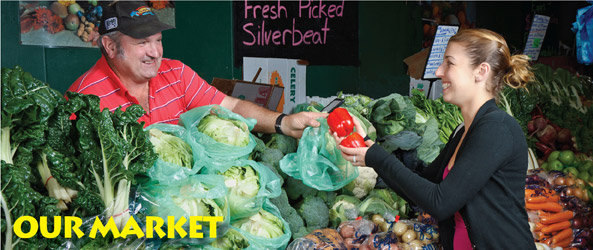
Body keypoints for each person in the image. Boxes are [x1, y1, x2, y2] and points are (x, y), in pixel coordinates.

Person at [335, 29, 536, 249]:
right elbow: (423, 189)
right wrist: (370, 151)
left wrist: (379, 158)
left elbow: (440, 203)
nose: (439, 71)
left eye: (449, 63)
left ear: (481, 71)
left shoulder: (497, 129)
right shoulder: (463, 131)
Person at [68, 1, 325, 138]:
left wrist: (284, 123)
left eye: (158, 40)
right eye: (142, 42)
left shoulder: (175, 73)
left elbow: (232, 107)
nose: (155, 52)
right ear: (110, 47)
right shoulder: (84, 98)